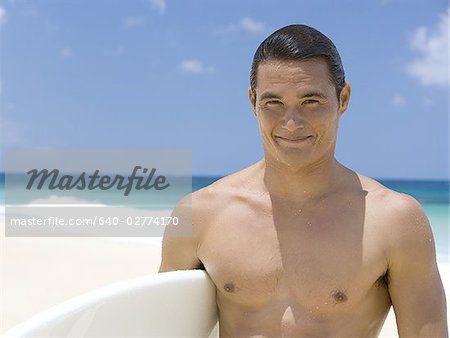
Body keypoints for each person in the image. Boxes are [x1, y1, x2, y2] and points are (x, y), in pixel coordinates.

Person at [159, 24, 448, 337]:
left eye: (311, 101)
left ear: (344, 98)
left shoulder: (395, 221)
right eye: (274, 103)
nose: (292, 123)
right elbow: (159, 326)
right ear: (252, 101)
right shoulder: (199, 214)